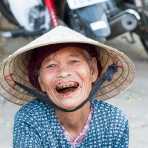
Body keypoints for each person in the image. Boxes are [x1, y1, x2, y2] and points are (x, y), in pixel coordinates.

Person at [0, 26, 134, 148]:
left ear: (93, 70)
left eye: (74, 61)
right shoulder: (30, 119)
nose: (63, 73)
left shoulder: (113, 121)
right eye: (51, 65)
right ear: (40, 81)